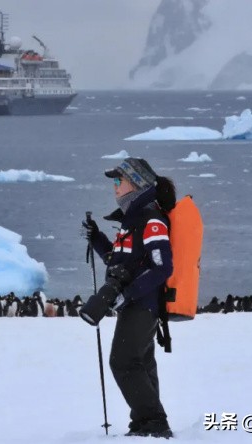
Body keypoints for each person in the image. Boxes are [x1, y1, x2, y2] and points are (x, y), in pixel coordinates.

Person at [80, 157, 176, 439]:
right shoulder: (132, 219)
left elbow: (163, 267)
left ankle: (154, 422)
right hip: (135, 304)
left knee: (122, 361)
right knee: (141, 362)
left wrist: (128, 294)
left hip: (142, 304)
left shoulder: (151, 219)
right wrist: (96, 238)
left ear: (136, 183)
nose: (114, 186)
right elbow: (119, 260)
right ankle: (145, 425)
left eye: (118, 180)